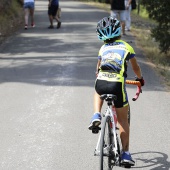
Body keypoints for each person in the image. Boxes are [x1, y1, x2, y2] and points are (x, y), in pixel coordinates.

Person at [88, 16, 145, 165]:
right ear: (119, 32)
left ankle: (96, 115)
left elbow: (97, 68)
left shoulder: (103, 48)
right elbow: (135, 68)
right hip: (117, 85)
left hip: (101, 82)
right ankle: (125, 154)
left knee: (97, 90)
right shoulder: (127, 47)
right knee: (122, 120)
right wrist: (140, 79)